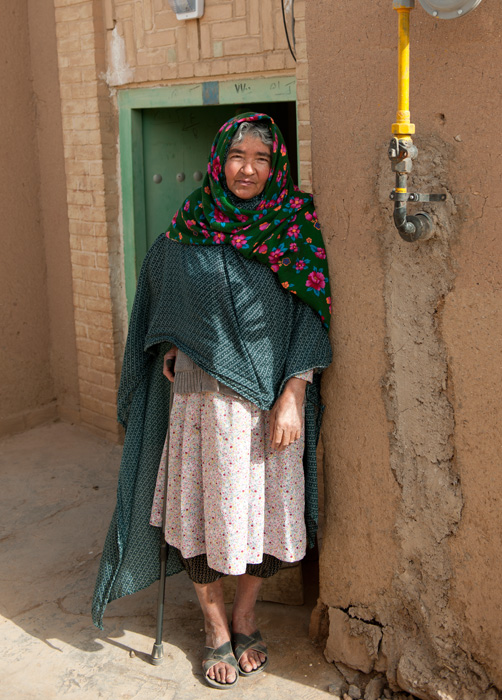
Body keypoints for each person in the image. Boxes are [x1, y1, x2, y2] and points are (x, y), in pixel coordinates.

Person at [92, 113, 332, 690]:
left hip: (268, 404)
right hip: (201, 404)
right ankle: (214, 626)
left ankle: (246, 614)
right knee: (203, 518)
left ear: (276, 167)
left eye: (261, 159)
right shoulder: (189, 223)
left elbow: (312, 312)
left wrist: (294, 395)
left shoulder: (295, 224)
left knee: (265, 520)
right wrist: (175, 340)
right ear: (218, 161)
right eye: (237, 156)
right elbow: (160, 289)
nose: (247, 169)